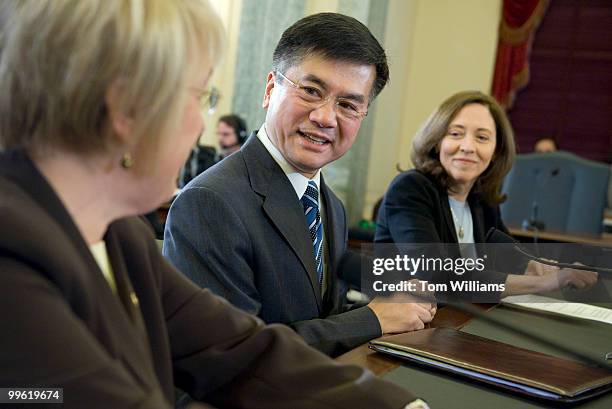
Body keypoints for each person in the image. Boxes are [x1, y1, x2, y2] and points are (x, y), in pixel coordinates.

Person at [0, 1, 428, 408]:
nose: (201, 122)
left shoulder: (120, 235)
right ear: (124, 107)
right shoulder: (13, 260)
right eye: (201, 96)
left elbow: (240, 351)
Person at [164, 12, 436, 358]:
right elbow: (228, 354)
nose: (325, 117)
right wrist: (371, 319)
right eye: (310, 91)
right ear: (269, 89)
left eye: (348, 105)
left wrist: (390, 308)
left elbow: (321, 320)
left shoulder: (330, 204)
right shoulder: (210, 201)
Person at [375, 91, 597, 298]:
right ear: (437, 142)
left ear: (496, 151)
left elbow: (509, 256)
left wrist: (536, 266)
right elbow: (435, 276)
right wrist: (546, 283)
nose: (467, 146)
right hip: (404, 327)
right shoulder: (410, 189)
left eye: (482, 138)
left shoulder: (481, 199)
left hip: (459, 322)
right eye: (455, 133)